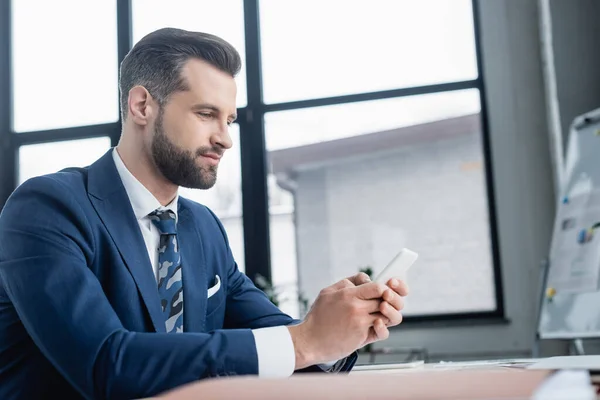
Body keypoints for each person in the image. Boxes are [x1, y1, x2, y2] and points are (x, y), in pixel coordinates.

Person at [0, 27, 409, 399]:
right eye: (206, 114)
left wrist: (343, 329)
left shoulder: (203, 229)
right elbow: (106, 364)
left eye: (229, 119)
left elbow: (277, 342)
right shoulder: (46, 208)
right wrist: (306, 341)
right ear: (142, 105)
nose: (226, 138)